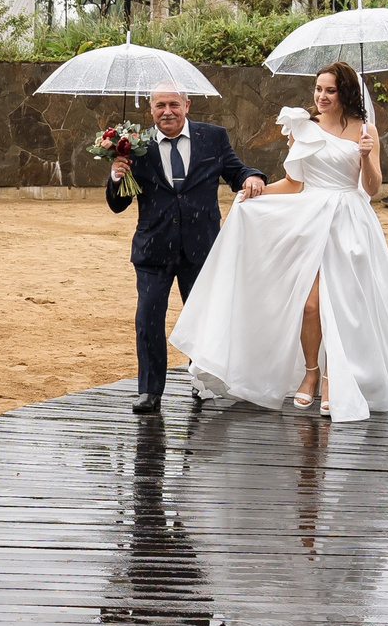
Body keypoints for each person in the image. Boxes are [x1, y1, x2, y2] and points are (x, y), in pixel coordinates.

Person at [172, 60, 388, 423]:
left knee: (344, 306)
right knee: (309, 305)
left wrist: (366, 157)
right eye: (318, 89)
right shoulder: (304, 127)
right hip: (308, 220)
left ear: (345, 93)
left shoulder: (366, 131)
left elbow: (372, 189)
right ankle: (310, 371)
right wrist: (258, 193)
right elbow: (294, 183)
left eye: (330, 90)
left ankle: (333, 378)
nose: (322, 96)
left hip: (349, 222)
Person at [105, 86, 267, 416]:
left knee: (205, 319)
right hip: (153, 249)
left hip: (201, 247)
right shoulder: (134, 145)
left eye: (174, 104)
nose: (167, 111)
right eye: (160, 105)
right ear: (151, 109)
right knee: (148, 318)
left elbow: (235, 171)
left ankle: (202, 380)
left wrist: (252, 177)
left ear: (187, 105)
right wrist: (116, 177)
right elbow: (118, 205)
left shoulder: (213, 137)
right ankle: (149, 391)